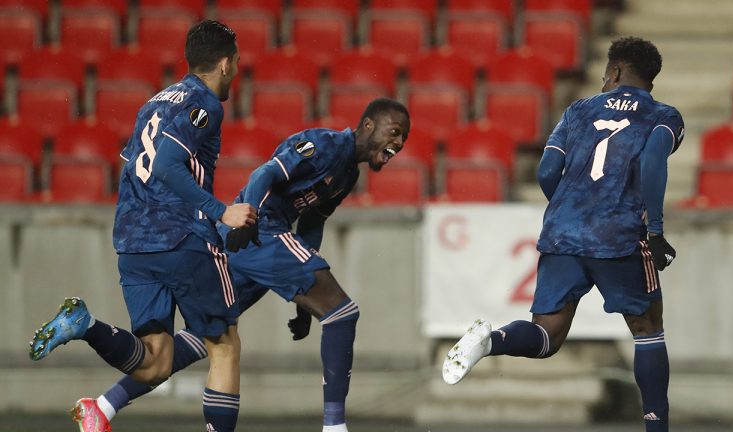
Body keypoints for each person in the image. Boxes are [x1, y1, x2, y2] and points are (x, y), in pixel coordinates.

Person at [69, 97, 411, 432]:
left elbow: (311, 224)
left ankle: (102, 407)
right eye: (394, 132)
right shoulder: (326, 144)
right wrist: (250, 221)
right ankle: (334, 426)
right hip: (258, 231)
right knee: (342, 313)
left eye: (403, 138)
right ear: (368, 124)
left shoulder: (347, 173)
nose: (398, 143)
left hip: (249, 238)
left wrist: (306, 303)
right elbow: (265, 174)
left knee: (207, 336)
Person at [442, 36, 684, 432]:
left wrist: (571, 209)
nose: (605, 79)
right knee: (647, 329)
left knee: (546, 335)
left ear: (617, 71)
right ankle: (656, 427)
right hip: (618, 234)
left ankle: (491, 342)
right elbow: (654, 162)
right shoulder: (663, 115)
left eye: (606, 73)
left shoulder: (576, 111)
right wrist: (655, 232)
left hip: (562, 233)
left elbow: (545, 172)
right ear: (647, 80)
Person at [28, 20, 257, 432]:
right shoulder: (206, 103)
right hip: (182, 236)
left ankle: (86, 326)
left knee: (155, 362)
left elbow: (136, 167)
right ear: (225, 64)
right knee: (224, 345)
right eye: (236, 63)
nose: (236, 72)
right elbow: (168, 164)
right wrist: (221, 211)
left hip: (134, 242)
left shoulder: (153, 103)